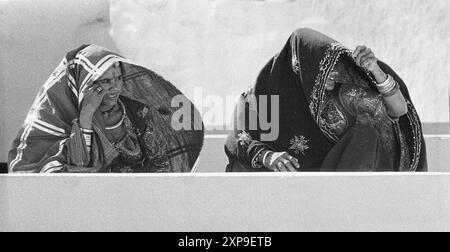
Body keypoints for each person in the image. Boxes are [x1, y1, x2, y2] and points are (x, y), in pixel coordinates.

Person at [225, 28, 427, 172]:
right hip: (278, 188)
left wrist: (375, 69)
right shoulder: (261, 96)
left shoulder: (341, 96)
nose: (334, 74)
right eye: (321, 68)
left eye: (335, 66)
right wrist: (270, 157)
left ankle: (343, 215)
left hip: (327, 189)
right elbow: (238, 139)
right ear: (300, 70)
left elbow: (398, 110)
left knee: (365, 135)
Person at [9, 44, 204, 173]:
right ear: (85, 84)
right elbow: (76, 170)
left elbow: (158, 163)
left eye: (118, 79)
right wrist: (86, 116)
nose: (114, 88)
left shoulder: (137, 112)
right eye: (105, 81)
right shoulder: (69, 118)